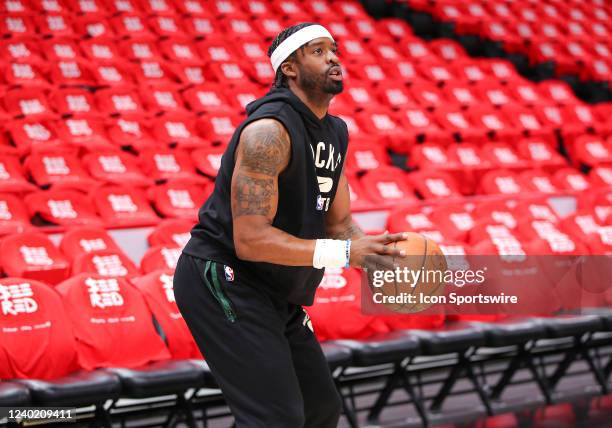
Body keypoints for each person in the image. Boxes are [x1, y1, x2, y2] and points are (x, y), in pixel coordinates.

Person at [174, 22, 408, 427]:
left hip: (274, 286)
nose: (333, 58)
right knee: (276, 419)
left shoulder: (335, 132)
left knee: (320, 408)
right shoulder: (268, 131)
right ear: (290, 69)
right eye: (318, 51)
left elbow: (340, 225)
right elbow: (250, 240)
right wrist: (348, 253)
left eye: (334, 49)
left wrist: (377, 257)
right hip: (224, 277)